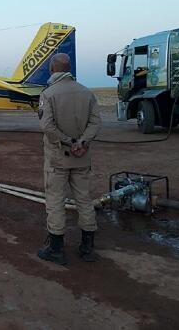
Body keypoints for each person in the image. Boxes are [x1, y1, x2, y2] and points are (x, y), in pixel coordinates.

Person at [37, 53, 102, 265]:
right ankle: (87, 248)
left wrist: (69, 141)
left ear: (52, 68)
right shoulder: (87, 93)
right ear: (69, 68)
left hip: (58, 159)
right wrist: (81, 142)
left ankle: (56, 249)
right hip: (82, 158)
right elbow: (95, 123)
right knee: (84, 200)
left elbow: (47, 126)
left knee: (55, 200)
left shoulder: (48, 94)